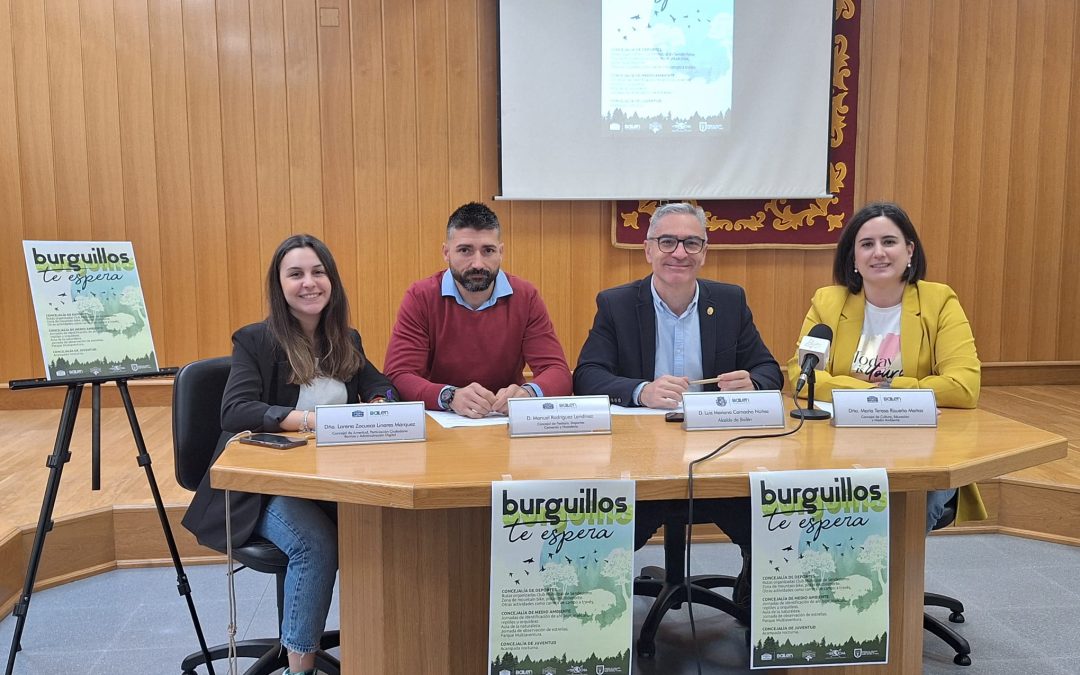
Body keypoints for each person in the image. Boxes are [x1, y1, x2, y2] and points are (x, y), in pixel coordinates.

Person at [182, 234, 396, 675]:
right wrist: (310, 421)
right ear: (279, 286)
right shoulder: (256, 341)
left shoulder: (345, 339)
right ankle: (300, 667)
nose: (309, 283)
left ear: (331, 280)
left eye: (318, 272)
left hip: (327, 478)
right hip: (262, 483)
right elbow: (235, 410)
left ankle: (379, 647)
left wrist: (379, 402)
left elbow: (378, 384)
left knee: (385, 526)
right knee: (314, 545)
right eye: (295, 273)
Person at [573, 201, 784, 607]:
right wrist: (641, 391)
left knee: (770, 523)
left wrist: (753, 382)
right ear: (648, 249)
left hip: (717, 454)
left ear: (704, 251)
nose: (679, 253)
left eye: (691, 243)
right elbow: (587, 376)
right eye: (667, 241)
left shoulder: (730, 301)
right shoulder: (616, 304)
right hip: (641, 457)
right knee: (608, 536)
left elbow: (768, 369)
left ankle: (758, 592)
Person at [787, 201, 984, 531]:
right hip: (841, 446)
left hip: (920, 450)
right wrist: (875, 393)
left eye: (889, 242)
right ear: (853, 257)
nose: (878, 253)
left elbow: (964, 387)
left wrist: (889, 390)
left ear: (909, 251)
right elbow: (802, 377)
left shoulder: (939, 301)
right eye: (866, 244)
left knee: (910, 507)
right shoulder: (828, 302)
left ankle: (891, 581)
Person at [383, 201, 572, 417]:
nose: (478, 264)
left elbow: (558, 373)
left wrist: (529, 394)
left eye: (488, 250)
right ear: (446, 253)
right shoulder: (421, 296)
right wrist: (449, 396)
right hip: (441, 422)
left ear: (501, 253)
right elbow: (397, 375)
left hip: (504, 421)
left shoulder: (525, 296)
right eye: (465, 250)